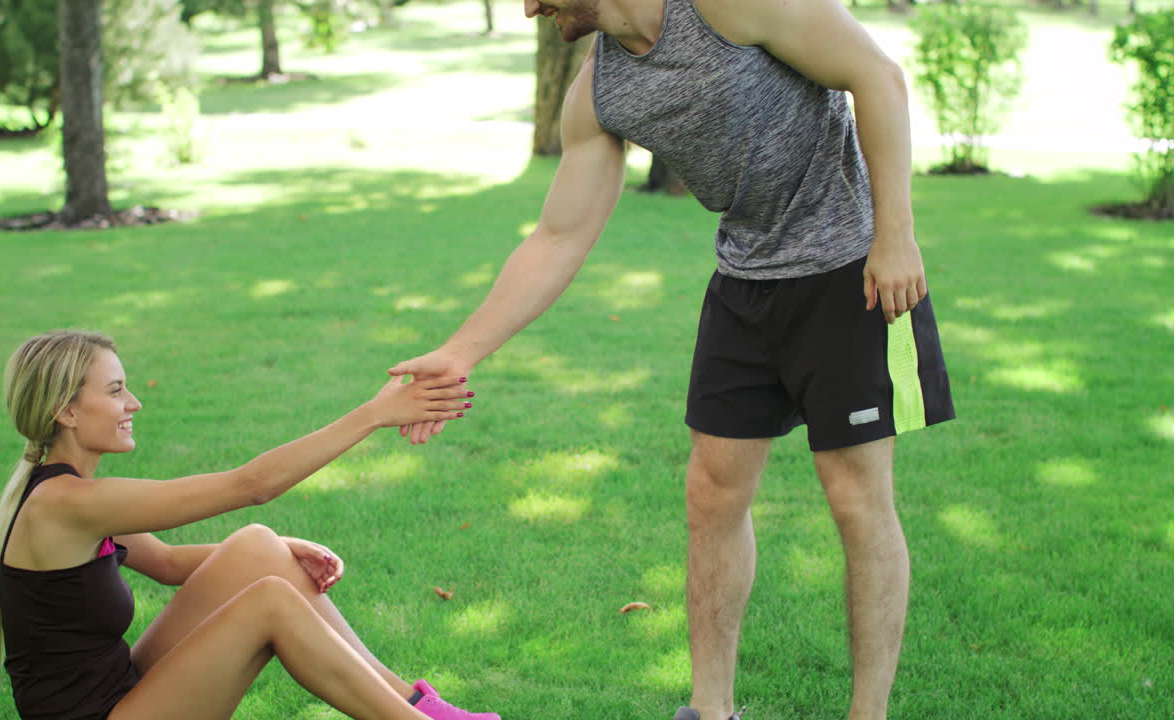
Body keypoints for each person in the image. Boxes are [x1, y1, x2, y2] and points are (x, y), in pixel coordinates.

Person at [388, 0, 956, 719]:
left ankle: (866, 714)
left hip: (848, 269)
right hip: (746, 281)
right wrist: (460, 351)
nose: (530, 8)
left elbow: (877, 76)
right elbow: (558, 238)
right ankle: (709, 710)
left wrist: (896, 235)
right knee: (710, 496)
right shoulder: (601, 90)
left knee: (855, 495)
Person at [0, 329, 498, 720]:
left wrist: (279, 548)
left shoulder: (71, 495)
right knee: (270, 601)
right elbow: (251, 486)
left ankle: (416, 702)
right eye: (116, 390)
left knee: (258, 546)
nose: (134, 403)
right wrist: (371, 415)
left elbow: (163, 562)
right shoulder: (65, 504)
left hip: (118, 691)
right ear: (65, 412)